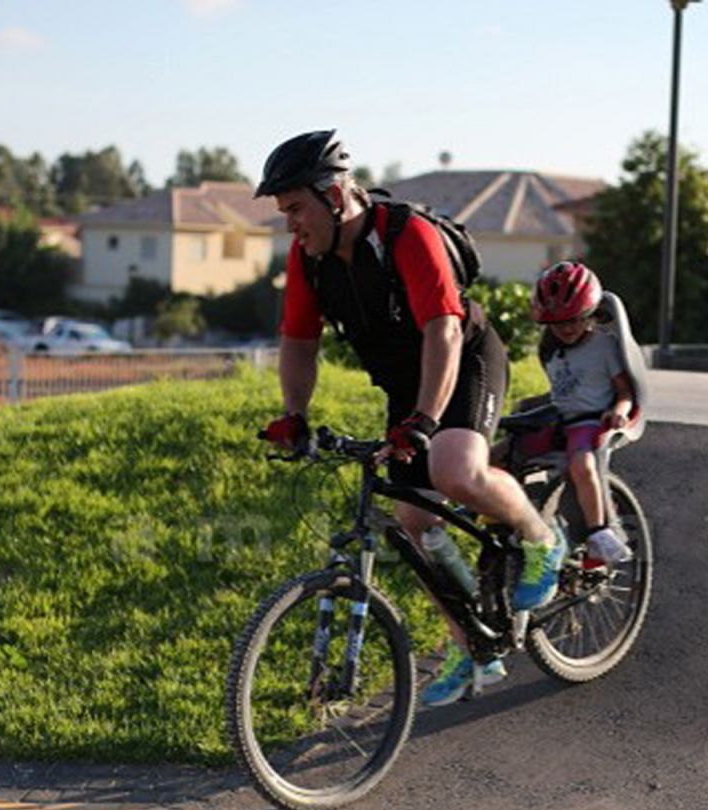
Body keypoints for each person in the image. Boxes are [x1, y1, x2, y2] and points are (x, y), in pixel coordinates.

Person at [254, 130, 566, 708]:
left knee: (454, 470)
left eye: (296, 208)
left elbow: (443, 332)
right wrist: (294, 417)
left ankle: (542, 539)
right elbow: (299, 341)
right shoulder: (308, 259)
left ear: (335, 194)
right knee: (413, 521)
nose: (290, 224)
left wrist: (424, 419)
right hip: (406, 384)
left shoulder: (406, 234)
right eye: (283, 213)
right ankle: (473, 643)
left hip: (463, 359)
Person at [524, 261, 636, 565]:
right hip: (560, 421)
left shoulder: (603, 346)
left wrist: (619, 411)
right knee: (499, 456)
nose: (567, 329)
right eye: (558, 323)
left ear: (591, 313)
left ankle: (600, 534)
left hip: (590, 423)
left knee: (582, 465)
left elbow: (624, 390)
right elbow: (562, 394)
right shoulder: (551, 350)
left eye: (575, 319)